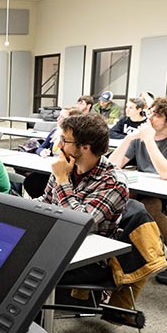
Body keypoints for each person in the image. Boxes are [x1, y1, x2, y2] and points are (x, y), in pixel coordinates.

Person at [109, 97, 167, 285]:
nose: (150, 118)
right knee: (118, 196)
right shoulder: (142, 136)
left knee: (149, 205)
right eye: (150, 112)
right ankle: (124, 253)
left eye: (157, 115)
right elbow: (112, 166)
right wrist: (128, 138)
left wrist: (148, 139)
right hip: (149, 188)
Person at [35, 114, 129, 290]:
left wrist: (62, 180)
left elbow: (79, 223)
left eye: (64, 140)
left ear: (85, 147)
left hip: (88, 258)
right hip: (56, 241)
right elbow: (45, 201)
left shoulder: (113, 182)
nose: (59, 145)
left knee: (26, 273)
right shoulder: (66, 167)